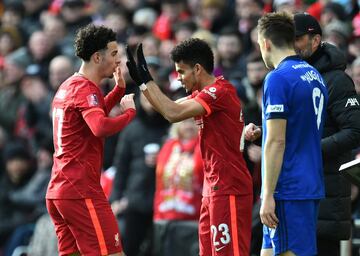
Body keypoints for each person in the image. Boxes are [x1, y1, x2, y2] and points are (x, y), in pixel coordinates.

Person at [126, 38, 253, 256]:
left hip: (229, 186)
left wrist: (147, 80)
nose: (179, 78)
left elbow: (173, 113)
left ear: (197, 68)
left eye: (181, 72)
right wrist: (142, 83)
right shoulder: (201, 95)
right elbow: (169, 110)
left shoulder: (219, 92)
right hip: (212, 188)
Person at [46, 24, 136, 256]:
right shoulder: (87, 89)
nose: (118, 61)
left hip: (59, 192)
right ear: (97, 57)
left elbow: (91, 116)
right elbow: (99, 126)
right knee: (113, 253)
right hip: (81, 190)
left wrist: (118, 91)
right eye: (114, 54)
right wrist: (129, 114)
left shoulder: (69, 86)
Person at [255, 12, 328, 256]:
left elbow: (277, 140)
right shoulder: (314, 75)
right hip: (307, 181)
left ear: (265, 43)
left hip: (287, 188)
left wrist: (267, 195)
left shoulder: (277, 78)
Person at [293, 13, 360, 256]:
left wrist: (308, 150)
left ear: (316, 40)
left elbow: (355, 131)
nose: (292, 45)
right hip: (296, 191)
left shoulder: (336, 80)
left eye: (298, 38)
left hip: (326, 193)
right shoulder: (290, 78)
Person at [153, 118, 203, 256]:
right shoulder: (168, 146)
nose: (188, 126)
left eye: (193, 121)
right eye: (184, 121)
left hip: (194, 219)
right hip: (165, 216)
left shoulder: (203, 145)